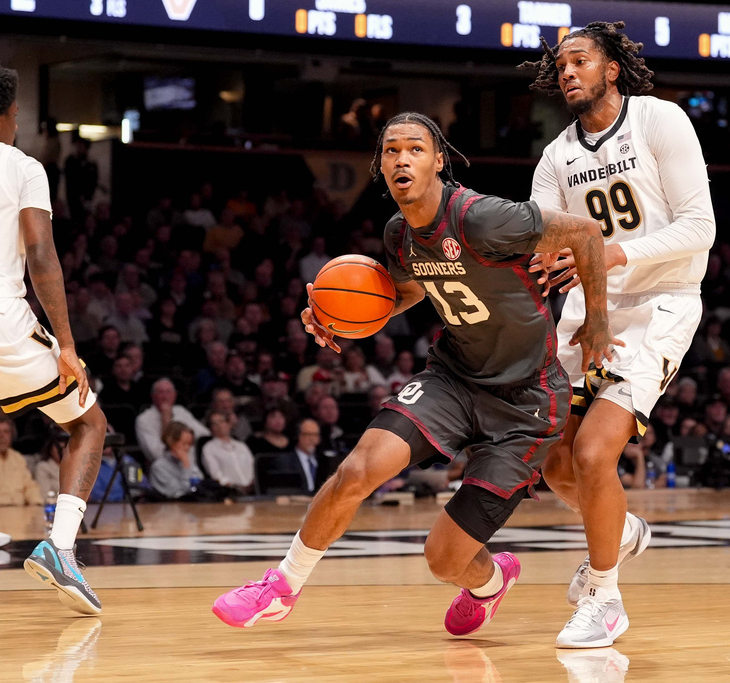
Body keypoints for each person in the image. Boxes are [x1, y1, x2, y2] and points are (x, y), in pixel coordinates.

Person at [213, 111, 618, 641]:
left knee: (444, 559)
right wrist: (339, 316)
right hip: (453, 378)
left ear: (438, 161)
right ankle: (281, 586)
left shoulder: (483, 218)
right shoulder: (398, 234)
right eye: (391, 151)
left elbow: (587, 232)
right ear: (380, 167)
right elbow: (405, 291)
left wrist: (596, 323)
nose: (402, 159)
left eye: (415, 149)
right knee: (358, 470)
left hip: (525, 401)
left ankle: (490, 582)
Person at [522, 20, 715, 647]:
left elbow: (699, 229)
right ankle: (623, 530)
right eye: (560, 65)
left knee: (593, 453)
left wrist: (615, 254)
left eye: (579, 60)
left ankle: (605, 599)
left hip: (662, 301)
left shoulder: (659, 121)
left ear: (611, 69)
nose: (567, 71)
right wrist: (546, 260)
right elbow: (547, 248)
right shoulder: (557, 158)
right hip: (589, 307)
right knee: (555, 465)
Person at [0, 62, 107, 615]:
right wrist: (66, 342)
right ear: (0, 118)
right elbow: (40, 254)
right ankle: (60, 549)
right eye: (15, 115)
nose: (16, 124)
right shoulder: (22, 166)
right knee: (88, 421)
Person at [134, 378, 210, 463]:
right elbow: (156, 454)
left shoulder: (180, 411)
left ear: (174, 396)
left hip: (190, 464)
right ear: (153, 396)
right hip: (163, 468)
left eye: (168, 392)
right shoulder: (143, 419)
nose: (165, 396)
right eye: (161, 392)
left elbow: (204, 435)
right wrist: (166, 423)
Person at [0, 417, 43, 506]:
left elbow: (29, 486)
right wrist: (11, 503)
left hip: (20, 512)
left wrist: (35, 503)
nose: (1, 436)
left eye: (6, 432)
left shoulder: (17, 458)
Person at [201, 412, 255, 493]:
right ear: (211, 428)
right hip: (229, 492)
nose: (219, 425)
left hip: (252, 490)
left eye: (221, 421)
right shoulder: (209, 448)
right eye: (214, 423)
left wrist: (253, 483)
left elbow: (252, 465)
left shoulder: (241, 446)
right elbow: (215, 474)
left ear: (228, 424)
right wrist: (234, 487)